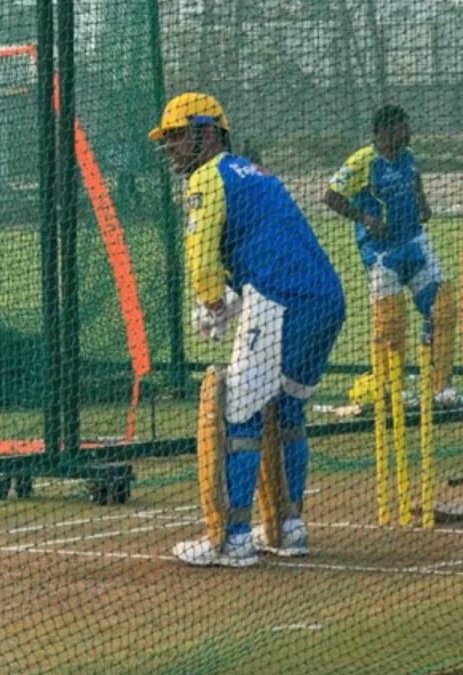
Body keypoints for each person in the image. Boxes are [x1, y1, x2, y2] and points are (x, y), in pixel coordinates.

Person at [149, 92, 346, 567]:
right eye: (168, 140)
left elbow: (200, 254)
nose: (171, 148)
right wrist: (233, 295)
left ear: (207, 133)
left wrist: (212, 302)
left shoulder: (208, 177)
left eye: (177, 136)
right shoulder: (256, 174)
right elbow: (263, 242)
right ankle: (290, 526)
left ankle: (233, 538)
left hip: (277, 299)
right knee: (289, 412)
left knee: (240, 412)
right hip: (325, 299)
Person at [324, 105, 462, 408]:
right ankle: (392, 389)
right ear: (385, 131)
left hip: (414, 243)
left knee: (443, 306)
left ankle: (440, 388)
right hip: (381, 254)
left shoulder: (407, 157)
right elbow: (330, 195)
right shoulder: (363, 160)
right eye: (403, 126)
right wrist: (364, 218)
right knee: (391, 322)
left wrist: (423, 203)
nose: (409, 132)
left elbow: (414, 179)